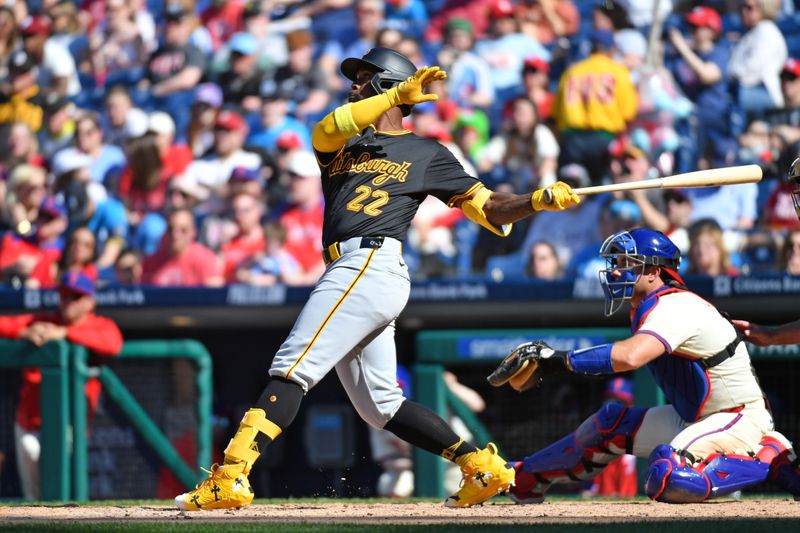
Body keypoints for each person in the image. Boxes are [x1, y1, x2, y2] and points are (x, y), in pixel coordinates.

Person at [175, 47, 580, 511]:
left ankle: (231, 477)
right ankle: (482, 468)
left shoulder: (427, 152)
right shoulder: (341, 144)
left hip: (370, 262)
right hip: (352, 270)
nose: (353, 85)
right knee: (380, 405)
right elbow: (327, 127)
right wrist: (392, 94)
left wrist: (538, 200)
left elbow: (489, 209)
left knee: (291, 367)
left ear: (387, 87)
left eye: (365, 79)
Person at [490, 228, 800, 504]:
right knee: (609, 425)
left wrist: (559, 360)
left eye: (626, 264)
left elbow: (630, 357)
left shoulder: (675, 305)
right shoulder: (650, 306)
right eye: (616, 264)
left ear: (653, 272)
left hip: (739, 418)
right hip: (697, 417)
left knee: (668, 476)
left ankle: (769, 456)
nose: (614, 272)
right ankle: (522, 479)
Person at [0, 272, 123, 500]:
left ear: (90, 301)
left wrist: (66, 333)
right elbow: (4, 323)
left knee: (66, 492)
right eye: (64, 295)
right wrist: (22, 331)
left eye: (75, 296)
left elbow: (113, 342)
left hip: (71, 424)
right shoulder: (43, 323)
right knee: (33, 489)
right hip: (31, 422)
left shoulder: (98, 325)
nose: (68, 301)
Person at [554, 29, 638, 184]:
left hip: (573, 141)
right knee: (602, 186)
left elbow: (557, 113)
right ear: (611, 49)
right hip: (604, 139)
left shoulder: (572, 71)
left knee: (572, 192)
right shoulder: (618, 71)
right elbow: (628, 113)